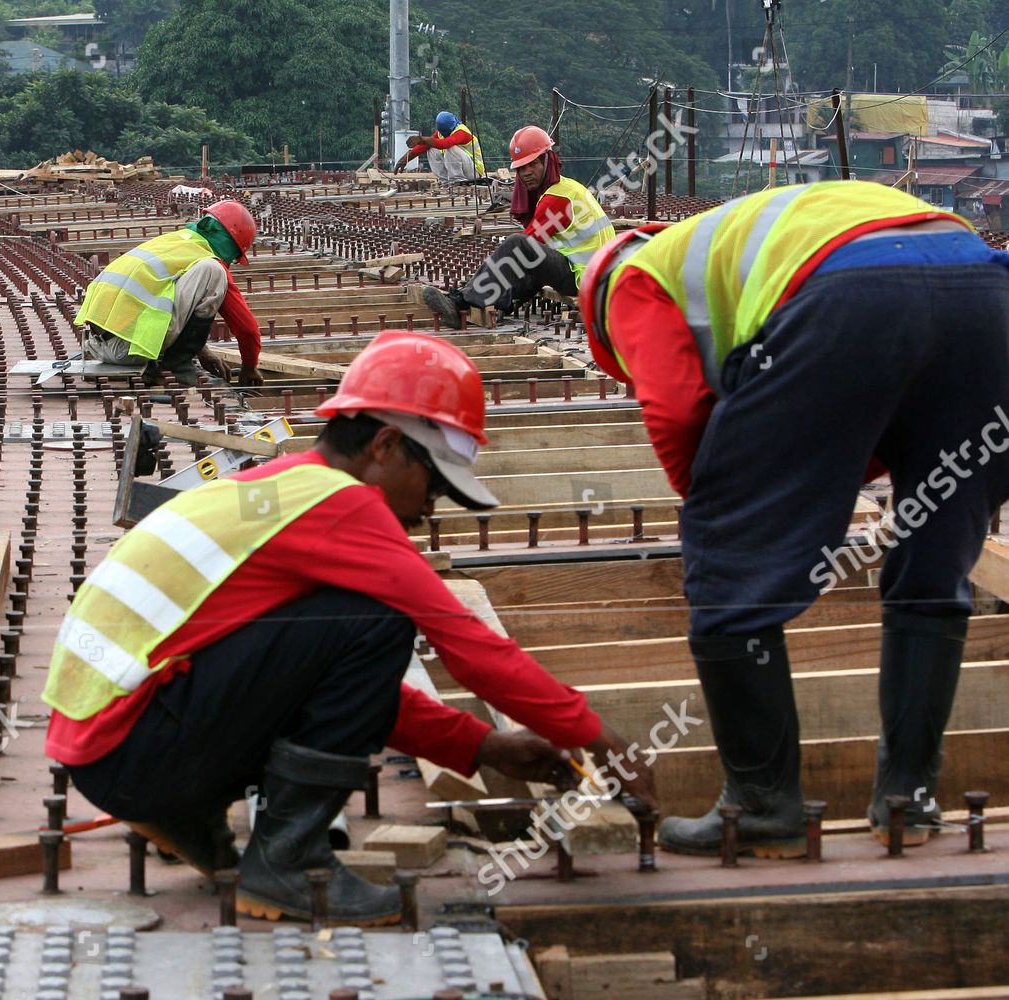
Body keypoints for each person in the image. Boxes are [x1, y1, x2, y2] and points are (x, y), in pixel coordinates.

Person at [42, 330, 659, 925]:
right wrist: (601, 739)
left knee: (358, 625)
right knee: (379, 620)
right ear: (387, 446)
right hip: (137, 747)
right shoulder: (345, 505)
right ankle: (288, 861)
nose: (427, 510)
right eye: (434, 485)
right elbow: (470, 647)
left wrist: (480, 748)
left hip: (110, 749)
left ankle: (188, 815)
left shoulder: (275, 488)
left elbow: (317, 688)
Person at [577, 180, 1009, 855]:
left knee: (727, 567)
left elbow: (678, 408)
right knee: (936, 557)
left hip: (855, 301)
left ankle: (761, 807)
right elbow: (858, 423)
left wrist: (724, 515)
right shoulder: (739, 244)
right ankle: (909, 802)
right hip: (986, 297)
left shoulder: (629, 282)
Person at [420, 125, 613, 329]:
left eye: (533, 164)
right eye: (521, 168)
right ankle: (498, 303)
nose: (526, 173)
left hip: (585, 277)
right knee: (531, 266)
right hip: (591, 273)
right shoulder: (566, 188)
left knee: (518, 245)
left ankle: (460, 302)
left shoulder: (557, 199)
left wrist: (480, 279)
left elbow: (523, 249)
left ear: (547, 160)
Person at [74, 200, 264, 388]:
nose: (232, 262)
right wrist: (249, 367)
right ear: (230, 244)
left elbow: (161, 303)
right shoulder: (209, 261)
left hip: (97, 346)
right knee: (213, 271)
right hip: (128, 351)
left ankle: (173, 362)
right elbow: (247, 329)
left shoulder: (173, 244)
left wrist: (201, 351)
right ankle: (177, 369)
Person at [393, 111, 485, 185]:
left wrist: (421, 139)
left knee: (451, 148)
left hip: (474, 172)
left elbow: (446, 143)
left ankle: (457, 181)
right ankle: (445, 181)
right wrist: (406, 157)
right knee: (431, 149)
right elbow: (425, 146)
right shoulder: (441, 133)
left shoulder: (461, 132)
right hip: (463, 169)